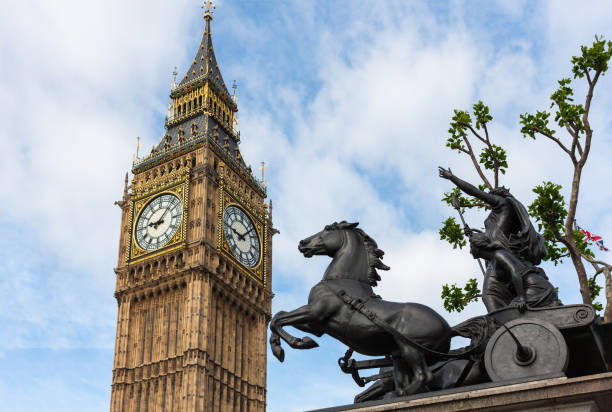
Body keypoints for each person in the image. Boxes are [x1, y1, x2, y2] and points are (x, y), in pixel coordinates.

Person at [438, 167, 557, 311]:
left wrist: (452, 178)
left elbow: (474, 191)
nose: (489, 198)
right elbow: (492, 234)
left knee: (490, 294)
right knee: (490, 295)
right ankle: (503, 321)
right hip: (493, 255)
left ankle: (504, 320)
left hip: (501, 253)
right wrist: (473, 236)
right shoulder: (499, 213)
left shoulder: (502, 204)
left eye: (491, 195)